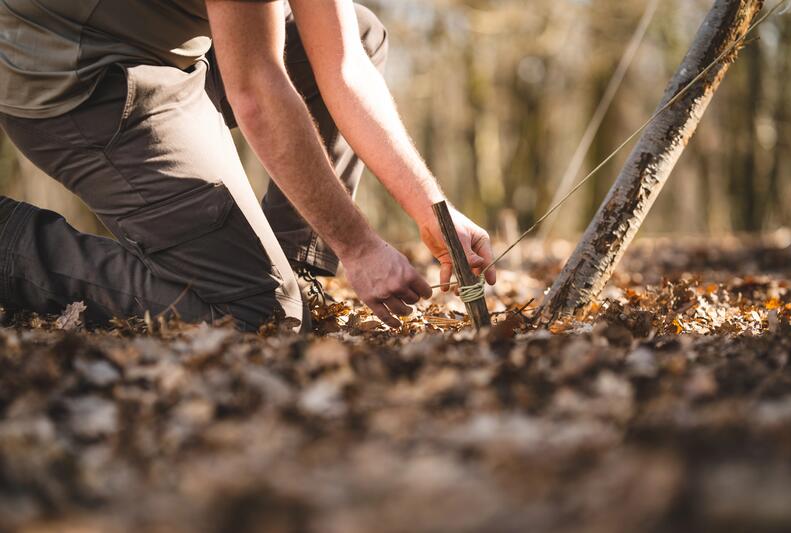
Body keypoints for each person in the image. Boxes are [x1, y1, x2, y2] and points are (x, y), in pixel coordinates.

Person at [0, 0, 496, 331]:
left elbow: (344, 66)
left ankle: (291, 265)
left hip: (171, 47)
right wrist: (359, 247)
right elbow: (257, 93)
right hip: (77, 74)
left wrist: (432, 207)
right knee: (258, 319)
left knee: (359, 34)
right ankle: (12, 245)